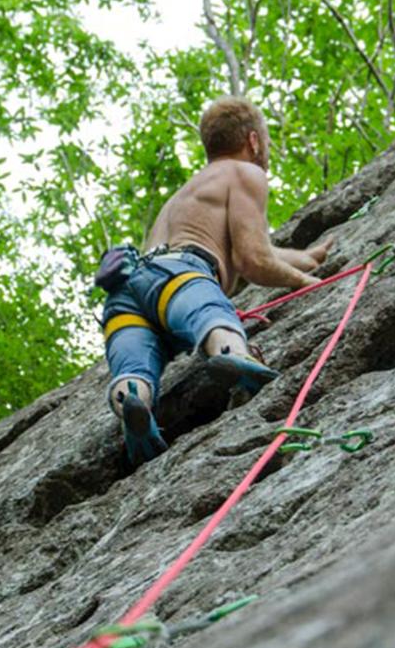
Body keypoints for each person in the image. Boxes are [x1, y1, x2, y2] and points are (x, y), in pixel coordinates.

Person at [97, 96, 333, 464]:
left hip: (128, 295)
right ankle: (232, 355)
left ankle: (134, 399)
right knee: (208, 313)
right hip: (180, 278)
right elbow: (252, 259)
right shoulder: (245, 173)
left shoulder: (183, 195)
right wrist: (307, 283)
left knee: (135, 365)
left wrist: (308, 257)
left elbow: (263, 252)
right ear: (253, 141)